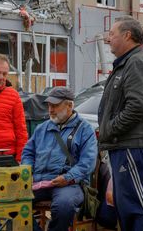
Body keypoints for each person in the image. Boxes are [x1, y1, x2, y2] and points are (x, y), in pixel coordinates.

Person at [98, 16, 143, 231]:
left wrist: (111, 128)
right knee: (126, 206)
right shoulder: (127, 63)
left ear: (127, 36)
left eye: (112, 34)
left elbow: (139, 106)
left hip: (132, 146)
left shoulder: (136, 62)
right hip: (124, 146)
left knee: (136, 207)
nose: (108, 39)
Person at [22, 87, 97, 231]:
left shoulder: (85, 129)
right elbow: (28, 153)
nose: (50, 109)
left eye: (55, 105)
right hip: (39, 181)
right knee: (10, 201)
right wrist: (27, 172)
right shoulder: (42, 128)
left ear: (69, 105)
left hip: (69, 184)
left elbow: (88, 162)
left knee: (64, 205)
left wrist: (68, 177)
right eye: (49, 105)